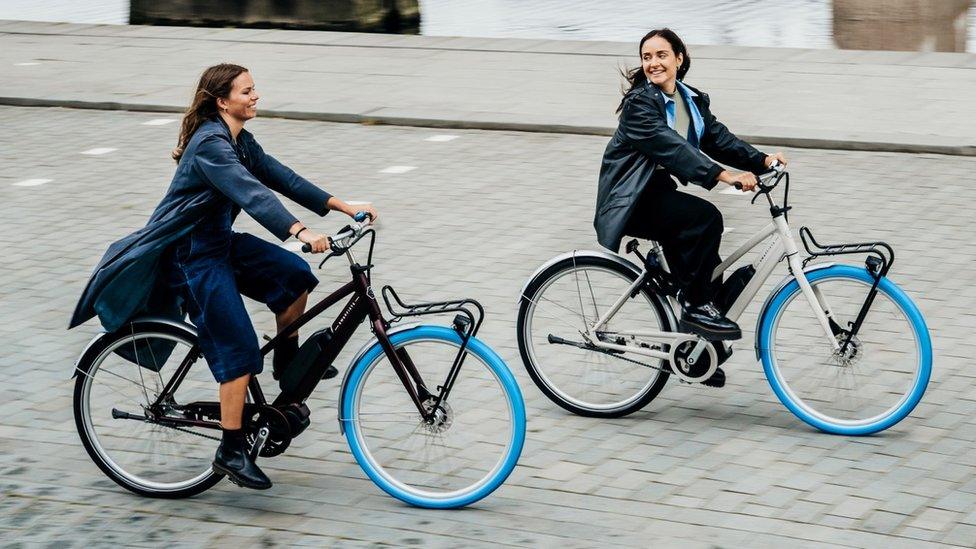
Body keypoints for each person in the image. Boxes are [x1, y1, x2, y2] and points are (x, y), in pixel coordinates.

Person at [70, 63, 378, 490]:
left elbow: (279, 177)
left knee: (293, 276)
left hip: (220, 243)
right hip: (192, 257)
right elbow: (252, 195)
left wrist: (342, 206)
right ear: (222, 101)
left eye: (255, 90)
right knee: (238, 348)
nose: (255, 97)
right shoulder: (210, 145)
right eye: (247, 91)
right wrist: (301, 232)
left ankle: (286, 361)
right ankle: (231, 450)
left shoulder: (239, 140)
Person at [594, 28, 787, 345]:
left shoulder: (688, 100)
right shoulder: (639, 106)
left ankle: (698, 346)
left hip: (655, 193)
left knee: (707, 260)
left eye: (661, 55)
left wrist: (764, 161)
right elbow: (673, 148)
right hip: (628, 201)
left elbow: (719, 140)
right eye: (647, 57)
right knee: (704, 218)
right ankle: (694, 306)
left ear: (679, 59)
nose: (653, 63)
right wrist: (725, 176)